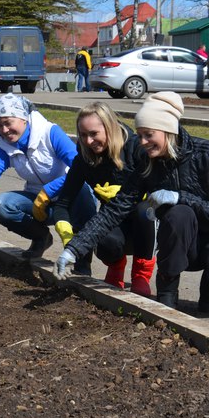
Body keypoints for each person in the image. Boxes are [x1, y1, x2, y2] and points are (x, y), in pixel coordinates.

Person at [47, 92, 209, 316]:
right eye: (140, 134)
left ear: (168, 130)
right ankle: (167, 293)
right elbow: (115, 210)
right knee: (178, 215)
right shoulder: (147, 162)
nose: (141, 142)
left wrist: (181, 197)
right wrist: (73, 249)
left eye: (148, 135)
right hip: (181, 238)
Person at [0, 94, 97, 265]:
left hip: (70, 199)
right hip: (40, 205)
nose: (5, 130)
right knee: (2, 204)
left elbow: (81, 168)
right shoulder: (6, 147)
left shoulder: (49, 133)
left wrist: (49, 190)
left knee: (82, 190)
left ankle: (82, 267)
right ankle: (41, 238)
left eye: (8, 123)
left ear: (23, 119)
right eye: (0, 125)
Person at [51, 102, 156, 295]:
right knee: (106, 242)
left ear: (109, 128)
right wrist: (67, 235)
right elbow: (63, 203)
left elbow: (158, 189)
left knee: (145, 211)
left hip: (145, 224)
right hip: (113, 221)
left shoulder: (135, 148)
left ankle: (141, 275)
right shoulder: (84, 159)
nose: (88, 141)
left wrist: (134, 194)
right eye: (83, 135)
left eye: (94, 134)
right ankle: (116, 267)